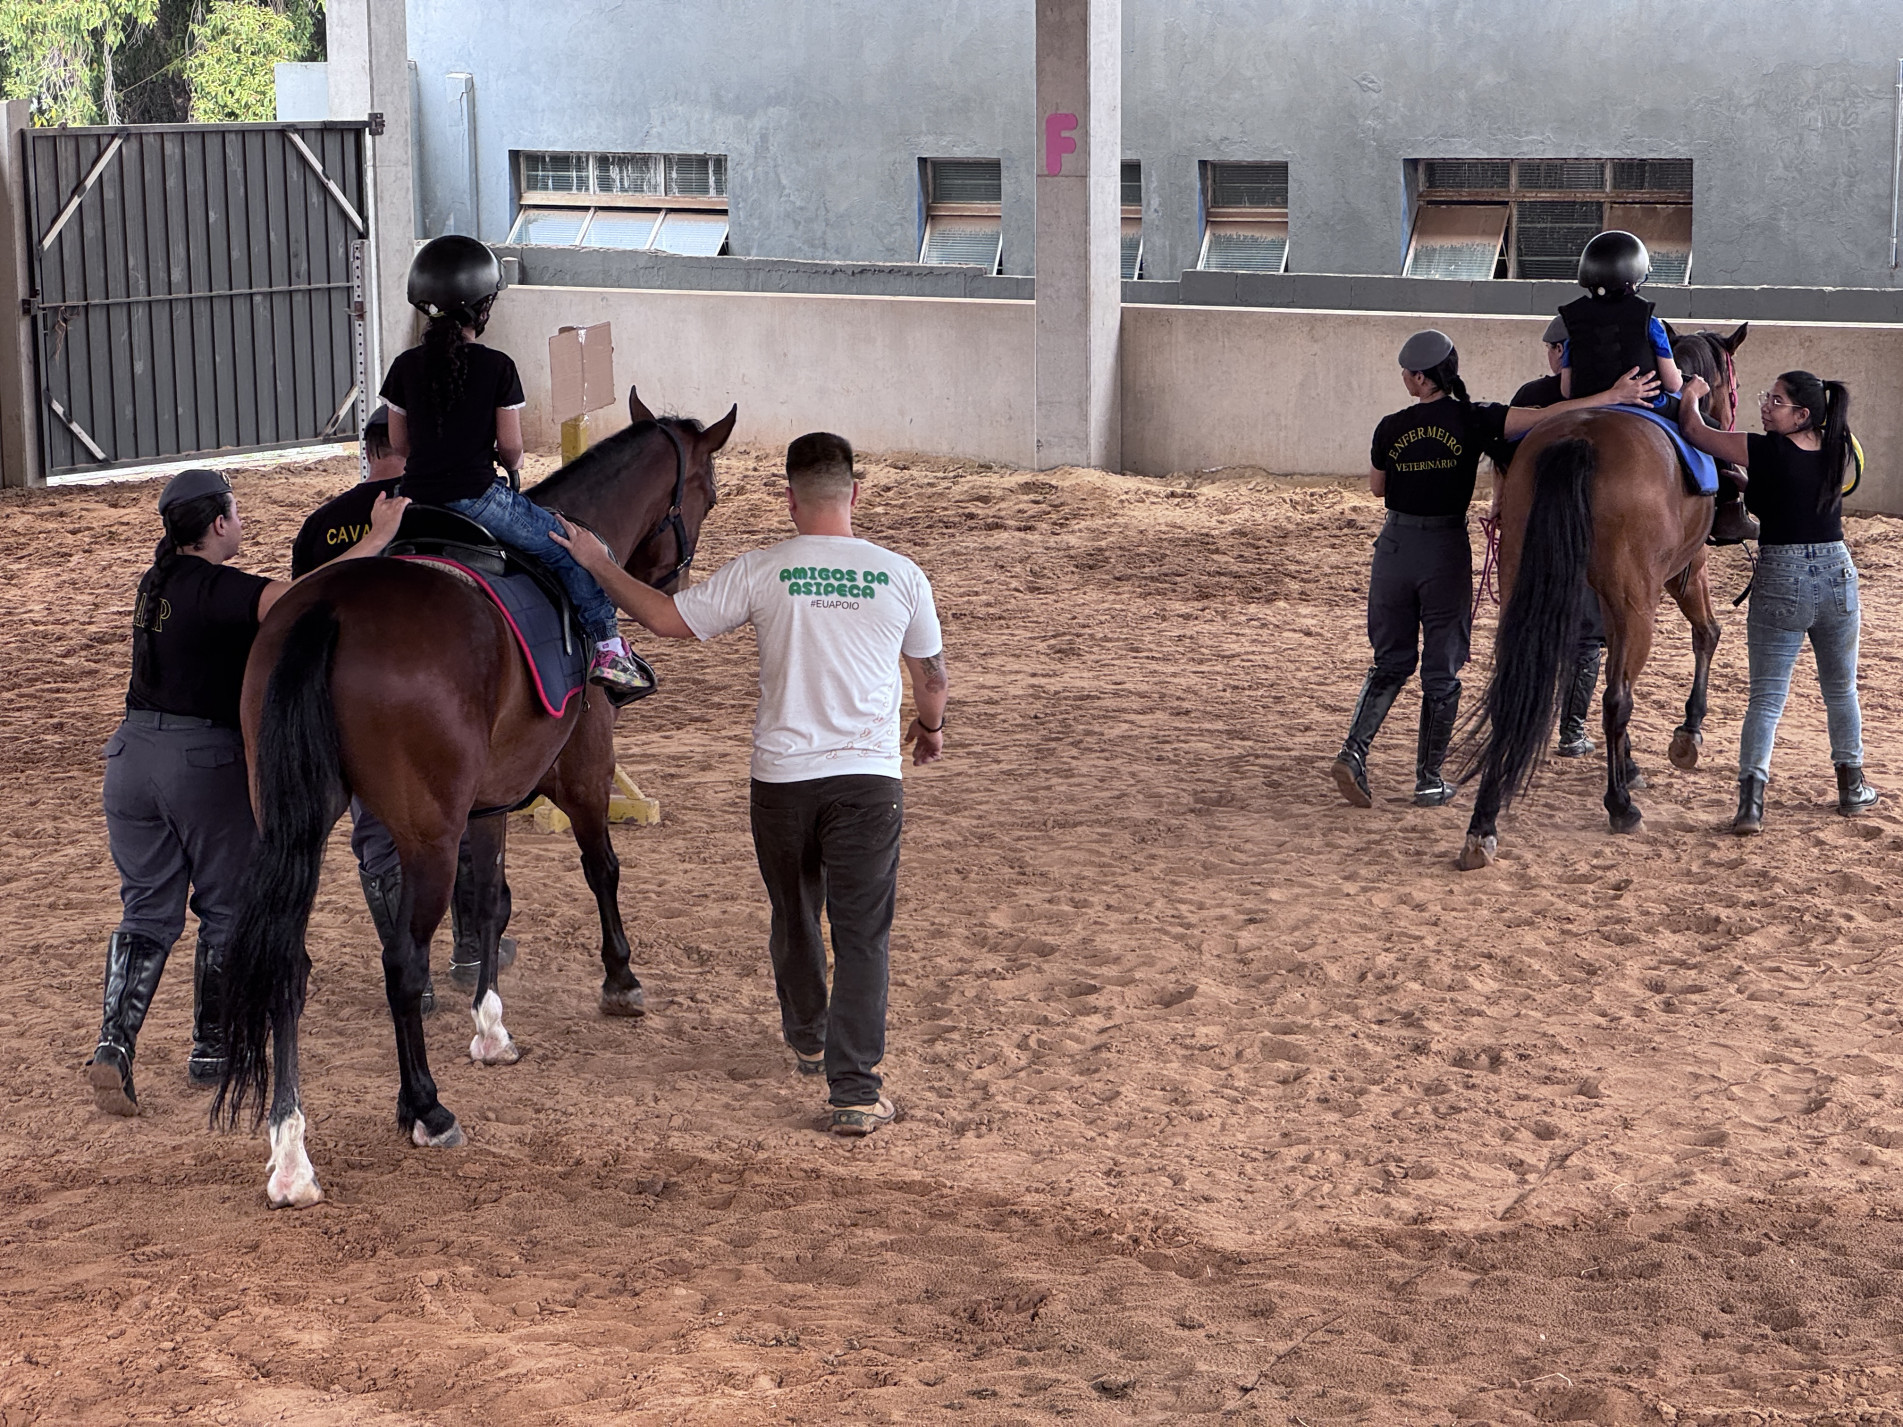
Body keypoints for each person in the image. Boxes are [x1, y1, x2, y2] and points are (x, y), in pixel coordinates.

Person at [552, 433, 945, 1138]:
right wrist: (930, 726)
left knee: (794, 912)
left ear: (789, 499)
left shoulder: (763, 570)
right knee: (862, 935)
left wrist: (597, 561)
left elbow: (665, 618)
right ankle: (855, 1090)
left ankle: (808, 1036)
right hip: (866, 780)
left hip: (783, 780)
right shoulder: (901, 575)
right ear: (854, 494)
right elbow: (931, 677)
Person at [92, 468, 408, 1115]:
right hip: (200, 761)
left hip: (128, 760)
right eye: (234, 514)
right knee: (228, 907)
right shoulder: (215, 588)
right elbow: (302, 597)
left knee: (145, 913)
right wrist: (377, 538)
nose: (240, 523)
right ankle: (212, 1047)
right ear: (217, 523)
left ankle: (115, 1042)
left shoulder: (156, 583)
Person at [1332, 330, 1658, 809]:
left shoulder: (1390, 426)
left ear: (1419, 379)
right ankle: (1428, 779)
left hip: (1394, 548)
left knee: (1390, 660)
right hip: (1443, 548)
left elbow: (1378, 489)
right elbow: (1547, 416)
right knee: (1442, 665)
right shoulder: (1474, 418)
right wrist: (1611, 397)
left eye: (1406, 373)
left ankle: (1354, 751)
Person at [289, 404, 515, 1005]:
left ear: (367, 453)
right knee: (457, 815)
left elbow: (299, 617)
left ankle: (411, 973)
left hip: (346, 699)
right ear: (409, 449)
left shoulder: (320, 526)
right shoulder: (443, 513)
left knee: (377, 832)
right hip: (440, 694)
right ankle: (470, 949)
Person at [380, 234, 653, 702]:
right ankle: (610, 650)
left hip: (412, 503)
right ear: (482, 307)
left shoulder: (404, 366)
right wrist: (510, 461)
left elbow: (400, 444)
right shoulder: (498, 366)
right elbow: (510, 449)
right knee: (569, 549)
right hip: (478, 500)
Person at [1678, 370, 1877, 833]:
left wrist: (1692, 394)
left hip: (1782, 574)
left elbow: (1695, 431)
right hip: (1837, 571)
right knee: (1841, 690)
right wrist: (1752, 483)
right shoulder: (1837, 449)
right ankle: (1851, 786)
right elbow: (1796, 490)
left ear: (1801, 414)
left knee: (1766, 698)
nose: (1766, 406)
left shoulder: (1765, 449)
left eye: (1777, 401)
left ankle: (1751, 804)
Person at [1560, 230, 1755, 544]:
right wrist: (1691, 388)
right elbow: (1673, 382)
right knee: (1710, 425)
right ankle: (1730, 512)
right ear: (1636, 278)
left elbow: (1567, 390)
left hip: (1588, 404)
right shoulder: (1649, 321)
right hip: (1648, 402)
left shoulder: (1573, 323)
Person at [1504, 316, 1606, 758]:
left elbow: (1504, 457)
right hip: (1590, 533)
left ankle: (1519, 723)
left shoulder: (1531, 395)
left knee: (1529, 621)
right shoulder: (1616, 400)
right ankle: (1572, 729)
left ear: (1559, 351)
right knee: (1587, 632)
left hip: (1532, 530)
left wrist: (1501, 502)